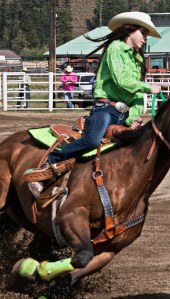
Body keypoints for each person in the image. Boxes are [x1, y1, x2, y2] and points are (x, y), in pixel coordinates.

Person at [28, 11, 162, 181]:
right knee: (93, 140)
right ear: (130, 30)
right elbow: (121, 80)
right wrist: (148, 87)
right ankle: (52, 160)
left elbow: (135, 95)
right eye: (143, 33)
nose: (145, 38)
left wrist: (133, 118)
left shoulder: (136, 58)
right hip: (106, 108)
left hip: (124, 113)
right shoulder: (115, 48)